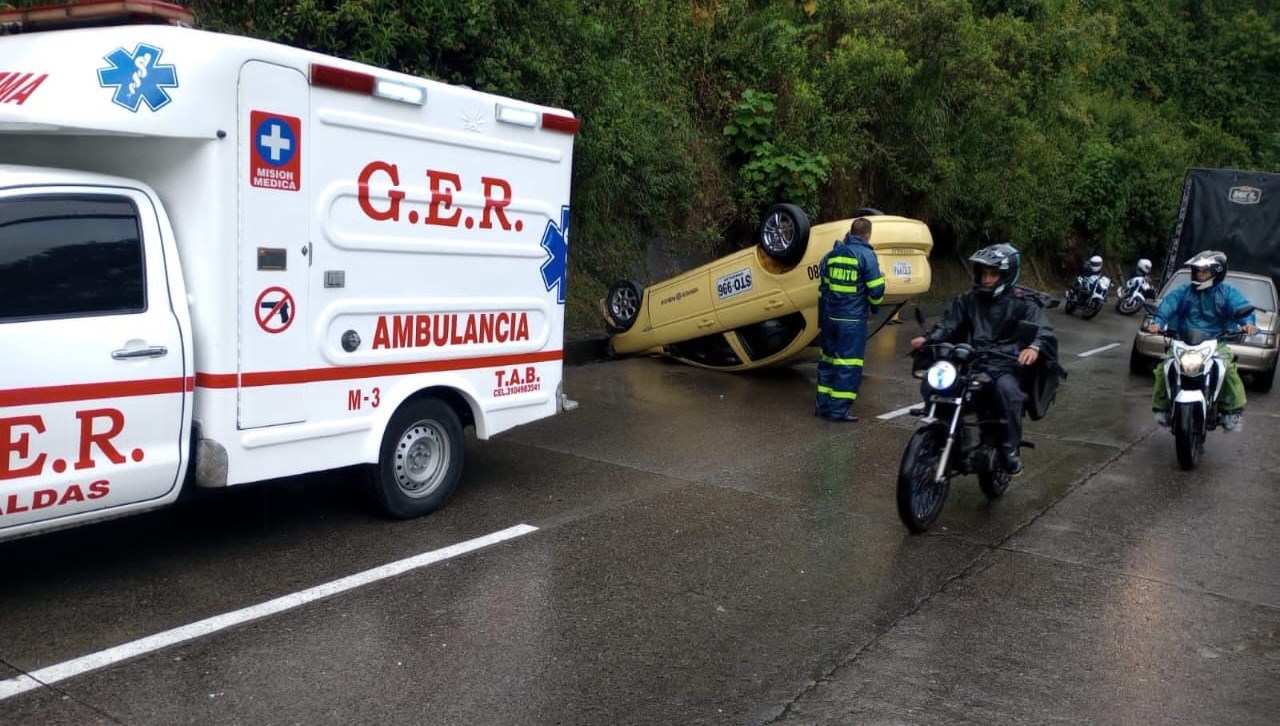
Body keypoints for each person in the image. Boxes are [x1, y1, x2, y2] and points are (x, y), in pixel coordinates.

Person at [910, 243, 1057, 476]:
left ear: (1006, 275)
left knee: (1007, 391)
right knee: (935, 379)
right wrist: (929, 339)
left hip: (1005, 363)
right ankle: (941, 428)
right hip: (972, 359)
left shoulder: (1023, 302)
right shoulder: (967, 300)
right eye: (984, 273)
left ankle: (1009, 449)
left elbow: (1043, 329)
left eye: (993, 274)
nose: (987, 279)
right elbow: (948, 324)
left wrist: (1034, 346)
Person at [1146, 250, 1256, 432]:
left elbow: (1241, 307)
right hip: (1183, 341)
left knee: (1227, 369)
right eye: (1197, 271)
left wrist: (1248, 324)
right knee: (1163, 368)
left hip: (1216, 342)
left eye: (1204, 271)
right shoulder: (1184, 291)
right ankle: (1162, 408)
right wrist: (1157, 322)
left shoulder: (1227, 292)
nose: (1199, 274)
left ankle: (1232, 412)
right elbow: (1168, 305)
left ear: (1217, 273)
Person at [816, 217, 885, 422]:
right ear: (868, 234)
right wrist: (875, 307)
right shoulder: (867, 255)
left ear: (850, 232)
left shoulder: (832, 255)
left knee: (827, 362)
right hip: (852, 322)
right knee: (848, 365)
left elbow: (824, 287)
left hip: (830, 319)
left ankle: (823, 406)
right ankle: (838, 411)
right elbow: (876, 290)